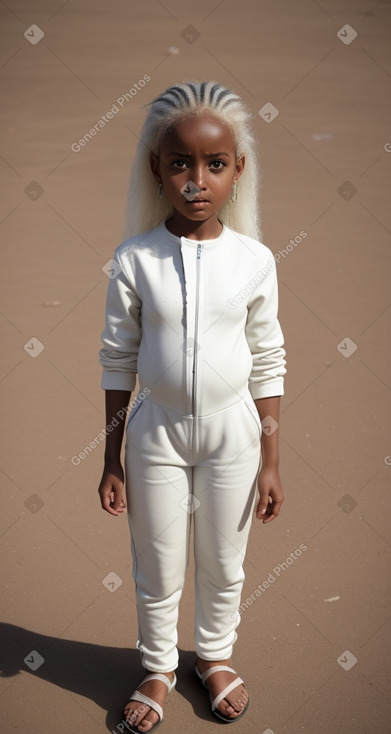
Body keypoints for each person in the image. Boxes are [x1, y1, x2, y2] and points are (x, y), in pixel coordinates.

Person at [98, 80, 287, 733]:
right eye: (179, 162)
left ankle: (212, 656)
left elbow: (267, 359)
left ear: (239, 170)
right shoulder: (134, 258)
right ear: (156, 167)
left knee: (224, 560)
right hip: (155, 433)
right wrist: (111, 456)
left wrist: (269, 458)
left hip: (235, 431)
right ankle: (156, 666)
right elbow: (117, 358)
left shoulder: (255, 262)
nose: (196, 180)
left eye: (214, 163)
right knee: (155, 560)